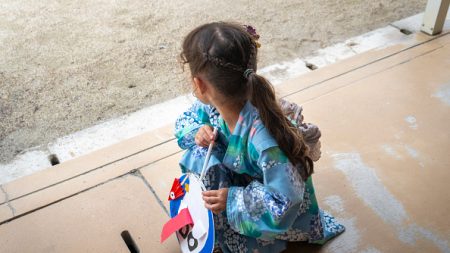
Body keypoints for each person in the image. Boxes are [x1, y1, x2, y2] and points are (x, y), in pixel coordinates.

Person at [174, 22, 344, 253]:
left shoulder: (264, 140)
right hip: (243, 184)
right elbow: (188, 119)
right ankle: (215, 218)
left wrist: (232, 199)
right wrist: (197, 131)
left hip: (270, 204)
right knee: (199, 151)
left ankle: (230, 226)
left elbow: (284, 202)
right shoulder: (216, 105)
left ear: (200, 84)